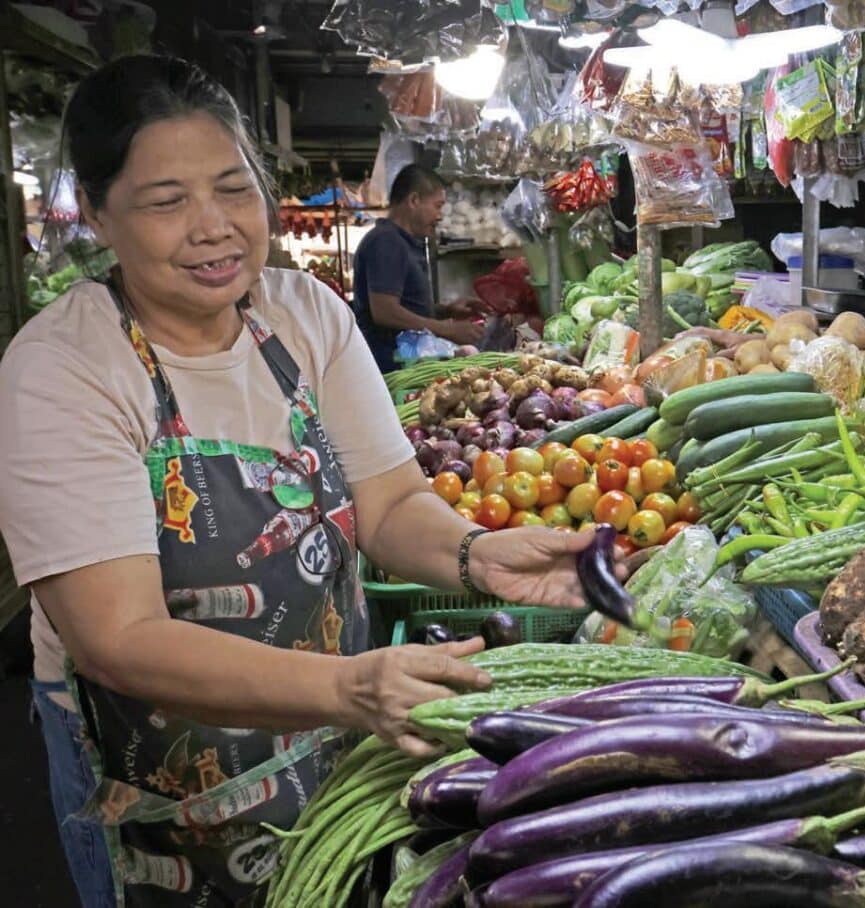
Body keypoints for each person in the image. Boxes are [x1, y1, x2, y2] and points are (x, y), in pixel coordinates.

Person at [0, 56, 603, 907]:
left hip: (333, 745)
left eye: (232, 188)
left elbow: (390, 503)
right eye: (167, 202)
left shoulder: (303, 315)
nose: (213, 228)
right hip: (164, 797)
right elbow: (117, 635)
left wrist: (476, 555)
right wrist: (345, 688)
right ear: (98, 214)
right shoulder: (65, 369)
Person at [352, 163, 482, 372]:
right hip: (390, 367)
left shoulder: (401, 242)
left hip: (407, 361)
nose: (440, 216)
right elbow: (385, 311)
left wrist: (446, 310)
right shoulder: (386, 242)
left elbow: (406, 306)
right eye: (437, 206)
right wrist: (446, 329)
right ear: (414, 200)